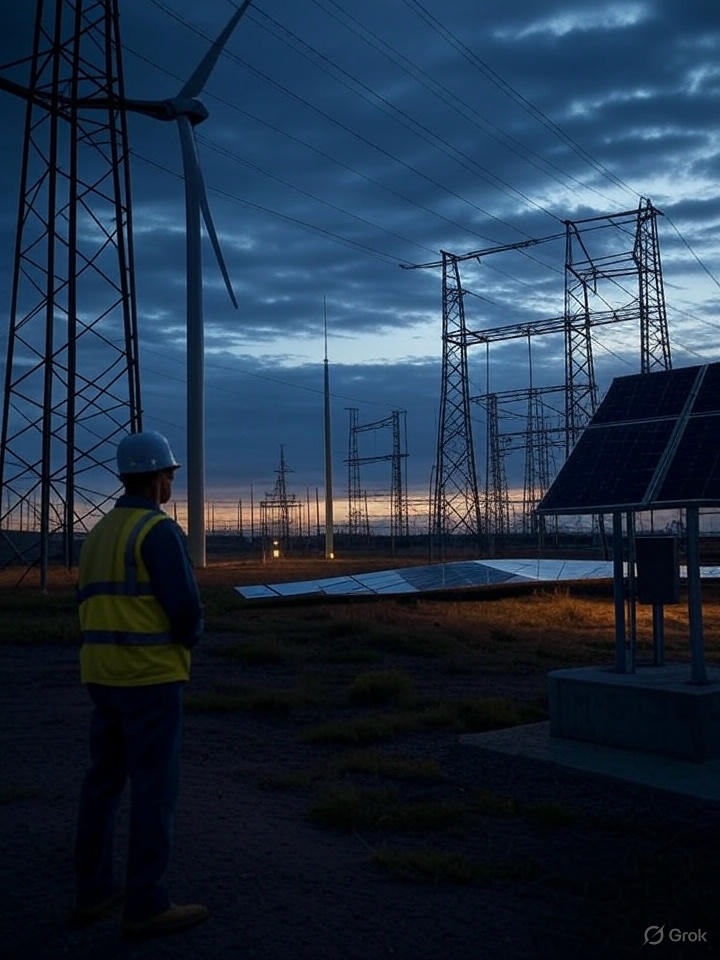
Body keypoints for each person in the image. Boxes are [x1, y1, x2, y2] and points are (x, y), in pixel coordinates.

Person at [73, 430, 206, 937]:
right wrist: (188, 640)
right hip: (150, 679)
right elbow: (186, 610)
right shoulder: (157, 532)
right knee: (154, 790)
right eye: (170, 474)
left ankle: (93, 892)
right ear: (157, 478)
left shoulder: (100, 534)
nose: (172, 481)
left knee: (102, 785)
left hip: (102, 678)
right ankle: (147, 902)